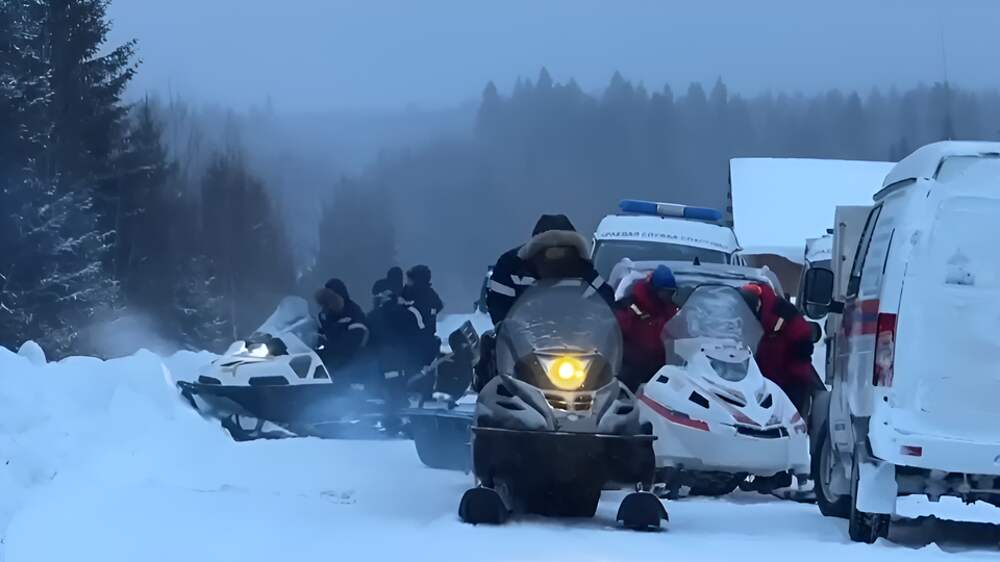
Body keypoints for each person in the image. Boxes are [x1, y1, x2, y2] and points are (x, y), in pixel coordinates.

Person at [486, 214, 612, 326]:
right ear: (535, 251)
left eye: (563, 250)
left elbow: (606, 301)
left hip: (578, 338)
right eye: (549, 250)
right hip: (525, 338)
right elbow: (499, 303)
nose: (556, 257)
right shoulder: (512, 267)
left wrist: (606, 323)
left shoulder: (583, 270)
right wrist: (506, 328)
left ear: (574, 250)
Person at [740, 282, 815, 413]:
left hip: (778, 395)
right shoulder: (723, 315)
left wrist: (793, 394)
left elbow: (800, 362)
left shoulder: (786, 317)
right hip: (730, 391)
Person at [614, 265, 680, 392]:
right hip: (634, 369)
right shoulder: (630, 305)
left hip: (665, 369)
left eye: (671, 292)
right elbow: (616, 332)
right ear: (654, 290)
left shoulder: (671, 309)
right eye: (665, 292)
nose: (668, 296)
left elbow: (682, 333)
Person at [315, 278, 370, 370]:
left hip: (356, 368)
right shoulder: (326, 315)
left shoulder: (354, 315)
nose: (328, 304)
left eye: (331, 298)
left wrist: (323, 348)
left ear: (340, 296)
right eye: (325, 300)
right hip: (327, 367)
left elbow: (348, 347)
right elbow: (323, 334)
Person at [402, 264, 444, 366]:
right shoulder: (424, 293)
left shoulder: (421, 296)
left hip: (418, 344)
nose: (407, 282)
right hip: (424, 340)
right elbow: (439, 305)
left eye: (410, 280)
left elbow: (420, 323)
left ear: (417, 281)